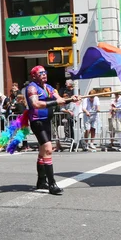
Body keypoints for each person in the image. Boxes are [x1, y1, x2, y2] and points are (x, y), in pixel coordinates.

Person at [26, 65, 78, 194]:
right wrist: (56, 103)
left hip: (47, 121)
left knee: (43, 151)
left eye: (45, 72)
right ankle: (52, 184)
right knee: (48, 149)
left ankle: (41, 181)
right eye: (40, 73)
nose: (44, 75)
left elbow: (59, 99)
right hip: (37, 121)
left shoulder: (49, 88)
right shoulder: (32, 88)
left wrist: (71, 99)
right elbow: (36, 104)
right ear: (34, 76)